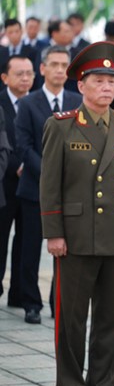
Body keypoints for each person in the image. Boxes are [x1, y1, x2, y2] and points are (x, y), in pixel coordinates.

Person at [39, 41, 114, 386]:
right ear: (80, 86)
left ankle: (102, 382)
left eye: (111, 81)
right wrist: (53, 233)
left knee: (109, 317)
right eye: (98, 81)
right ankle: (71, 382)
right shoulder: (62, 126)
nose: (106, 88)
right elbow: (49, 183)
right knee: (71, 317)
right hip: (76, 236)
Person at [14, 46, 81, 324]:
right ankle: (31, 302)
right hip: (34, 188)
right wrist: (49, 173)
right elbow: (23, 145)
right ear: (42, 69)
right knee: (29, 249)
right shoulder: (29, 103)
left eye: (63, 65)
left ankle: (59, 302)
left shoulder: (78, 101)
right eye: (53, 64)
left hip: (70, 191)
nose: (58, 70)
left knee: (64, 252)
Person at [0, 55, 35, 309]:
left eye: (29, 73)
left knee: (27, 242)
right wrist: (17, 167)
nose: (25, 78)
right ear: (5, 78)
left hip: (33, 183)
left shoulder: (37, 104)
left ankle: (20, 294)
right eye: (19, 73)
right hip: (5, 183)